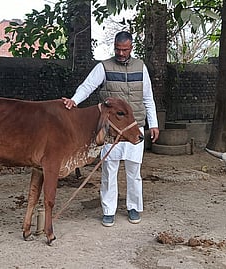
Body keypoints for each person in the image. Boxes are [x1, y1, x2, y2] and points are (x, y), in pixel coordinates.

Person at [62, 31, 160, 227]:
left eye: (125, 49)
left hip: (134, 127)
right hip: (111, 130)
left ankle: (134, 208)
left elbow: (148, 98)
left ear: (131, 48)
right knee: (109, 171)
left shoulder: (141, 68)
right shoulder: (104, 67)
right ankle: (108, 210)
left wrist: (154, 123)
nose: (121, 53)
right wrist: (74, 100)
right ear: (114, 47)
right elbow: (88, 85)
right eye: (117, 49)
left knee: (134, 171)